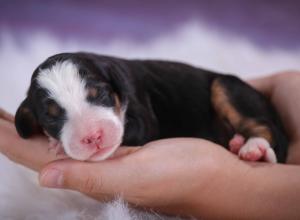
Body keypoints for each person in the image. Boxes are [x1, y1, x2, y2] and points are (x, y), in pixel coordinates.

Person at [0, 71, 300, 219]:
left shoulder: (124, 83)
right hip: (214, 135)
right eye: (55, 119)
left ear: (116, 87)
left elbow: (142, 128)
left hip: (211, 109)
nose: (89, 132)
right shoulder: (102, 83)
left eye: (98, 97)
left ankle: (261, 138)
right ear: (36, 122)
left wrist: (230, 182)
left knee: (227, 90)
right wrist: (59, 136)